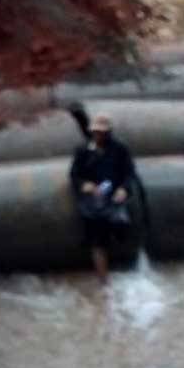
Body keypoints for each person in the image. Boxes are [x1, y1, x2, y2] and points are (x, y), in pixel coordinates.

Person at [69, 113, 137, 285]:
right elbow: (75, 175)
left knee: (120, 224)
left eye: (102, 132)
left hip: (113, 194)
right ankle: (103, 281)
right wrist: (85, 185)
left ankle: (124, 264)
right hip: (93, 198)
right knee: (97, 236)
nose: (98, 135)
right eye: (96, 132)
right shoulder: (83, 150)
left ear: (108, 132)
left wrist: (123, 189)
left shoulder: (120, 149)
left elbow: (129, 173)